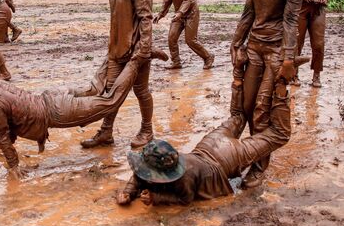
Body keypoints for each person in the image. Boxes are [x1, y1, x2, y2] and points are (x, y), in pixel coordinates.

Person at [116, 51, 310, 206]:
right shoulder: (161, 165)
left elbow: (186, 199)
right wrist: (127, 192)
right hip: (210, 144)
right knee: (238, 116)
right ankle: (238, 71)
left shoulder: (184, 179)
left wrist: (157, 199)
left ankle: (281, 84)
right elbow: (140, 175)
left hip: (227, 158)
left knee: (279, 134)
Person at [0, 52, 168, 179]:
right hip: (51, 97)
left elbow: (2, 133)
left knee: (110, 101)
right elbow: (11, 121)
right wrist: (7, 143)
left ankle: (137, 59)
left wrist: (14, 166)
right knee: (94, 88)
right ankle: (124, 56)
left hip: (57, 112)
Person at [230, 0, 303, 188]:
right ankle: (251, 153)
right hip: (254, 47)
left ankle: (259, 168)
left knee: (263, 109)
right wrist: (236, 43)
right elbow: (248, 11)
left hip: (276, 50)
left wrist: (288, 59)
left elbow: (291, 19)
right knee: (246, 107)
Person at [79, 0, 156, 149]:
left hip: (135, 52)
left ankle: (147, 130)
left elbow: (145, 19)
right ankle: (106, 132)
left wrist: (143, 51)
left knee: (141, 91)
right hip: (116, 50)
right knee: (110, 93)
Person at [154, 0, 214, 70]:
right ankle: (176, 62)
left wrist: (180, 13)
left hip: (191, 14)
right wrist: (160, 14)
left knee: (190, 40)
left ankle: (208, 57)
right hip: (179, 14)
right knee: (171, 37)